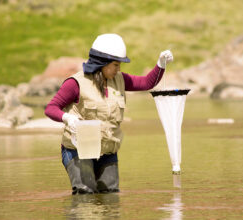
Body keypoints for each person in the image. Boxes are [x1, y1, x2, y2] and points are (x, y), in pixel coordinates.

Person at [45, 33, 173, 194]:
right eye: (115, 64)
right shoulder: (76, 83)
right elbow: (51, 108)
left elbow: (147, 82)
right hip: (78, 150)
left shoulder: (120, 79)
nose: (119, 69)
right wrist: (67, 118)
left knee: (111, 196)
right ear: (102, 63)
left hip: (107, 151)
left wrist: (160, 64)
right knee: (85, 195)